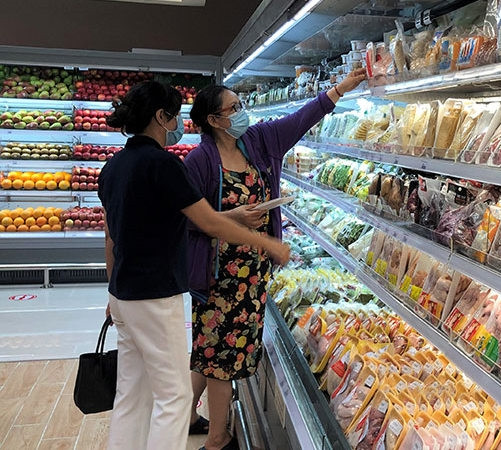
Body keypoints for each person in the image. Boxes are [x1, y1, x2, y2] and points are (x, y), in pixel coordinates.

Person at [99, 80, 290, 450]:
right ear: (160, 117)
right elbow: (209, 221)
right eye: (173, 116)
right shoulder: (164, 165)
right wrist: (266, 242)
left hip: (123, 295)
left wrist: (111, 290)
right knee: (173, 399)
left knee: (131, 395)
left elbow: (109, 239)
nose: (178, 125)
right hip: (156, 296)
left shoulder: (114, 167)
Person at [184, 68, 366, 450]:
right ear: (215, 120)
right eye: (235, 107)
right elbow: (189, 222)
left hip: (252, 277)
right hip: (218, 276)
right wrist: (234, 219)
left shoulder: (259, 140)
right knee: (220, 356)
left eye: (242, 104)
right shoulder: (199, 162)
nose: (243, 111)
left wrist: (341, 89)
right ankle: (217, 440)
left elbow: (301, 119)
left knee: (214, 349)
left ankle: (182, 412)